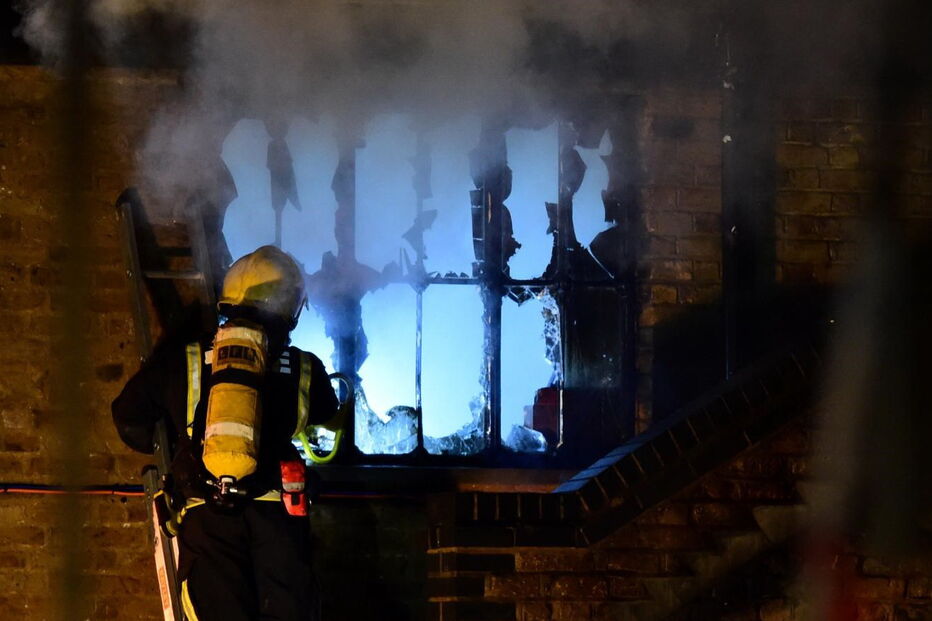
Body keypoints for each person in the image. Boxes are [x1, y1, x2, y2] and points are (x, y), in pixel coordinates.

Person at [112, 245, 339, 621]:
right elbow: (328, 422)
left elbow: (129, 419)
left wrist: (187, 442)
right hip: (279, 513)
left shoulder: (184, 358)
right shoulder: (304, 367)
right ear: (290, 307)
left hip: (206, 510)